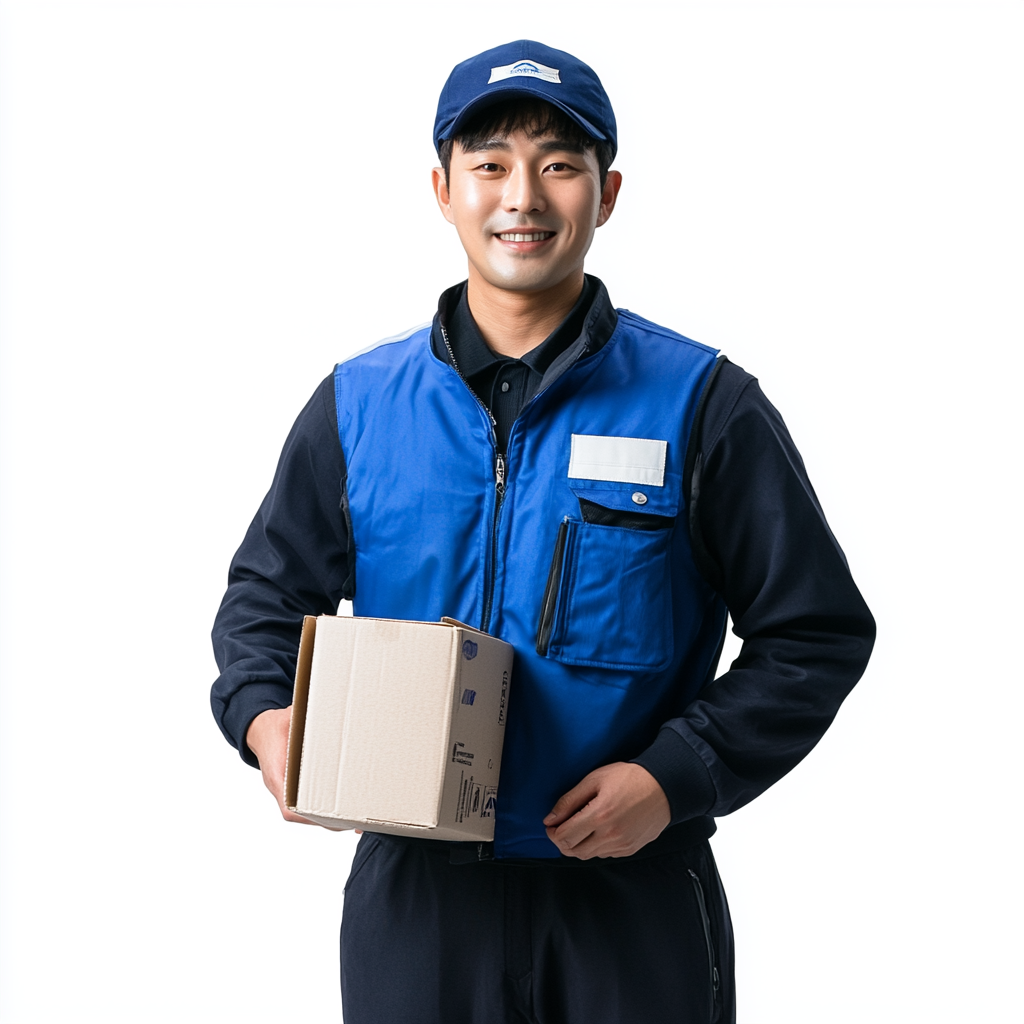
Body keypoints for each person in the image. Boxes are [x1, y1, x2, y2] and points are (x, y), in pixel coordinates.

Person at [211, 39, 875, 1024]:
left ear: (607, 195)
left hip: (631, 899)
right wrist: (269, 721)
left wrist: (674, 776)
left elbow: (815, 632)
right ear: (442, 190)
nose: (522, 196)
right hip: (418, 909)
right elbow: (263, 600)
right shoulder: (358, 406)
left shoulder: (702, 404)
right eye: (489, 165)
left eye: (559, 164)